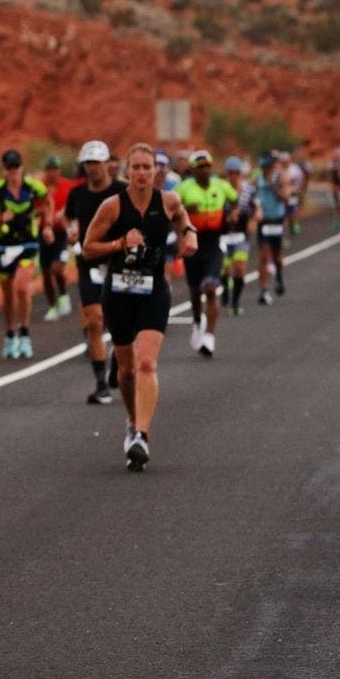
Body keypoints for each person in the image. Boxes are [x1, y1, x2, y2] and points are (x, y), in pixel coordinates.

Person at [81, 144, 196, 471]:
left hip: (153, 292)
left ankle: (142, 436)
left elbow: (182, 217)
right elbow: (88, 249)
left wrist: (189, 234)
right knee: (126, 370)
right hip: (117, 293)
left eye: (148, 167)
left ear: (156, 171)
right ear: (127, 171)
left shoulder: (169, 200)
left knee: (147, 364)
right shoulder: (112, 207)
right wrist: (119, 244)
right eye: (137, 168)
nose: (143, 173)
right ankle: (132, 422)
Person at [60, 141, 125, 404]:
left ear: (107, 164)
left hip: (119, 263)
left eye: (96, 163)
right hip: (88, 261)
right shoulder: (78, 195)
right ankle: (101, 384)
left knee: (119, 322)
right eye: (88, 163)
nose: (92, 169)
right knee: (94, 320)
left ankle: (117, 361)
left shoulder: (122, 191)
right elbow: (66, 217)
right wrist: (71, 231)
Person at [0, 149, 50, 359]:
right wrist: (2, 219)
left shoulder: (34, 187)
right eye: (9, 167)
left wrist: (47, 225)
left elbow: (47, 204)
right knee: (8, 295)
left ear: (22, 166)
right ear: (4, 169)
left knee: (21, 287)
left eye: (16, 166)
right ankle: (10, 333)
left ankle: (25, 333)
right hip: (5, 247)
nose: (13, 171)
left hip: (28, 243)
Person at [175, 150, 237, 358]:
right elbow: (171, 212)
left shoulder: (221, 186)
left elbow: (235, 200)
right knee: (195, 291)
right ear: (192, 169)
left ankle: (210, 336)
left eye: (207, 166)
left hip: (213, 243)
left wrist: (233, 215)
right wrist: (184, 210)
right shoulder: (183, 189)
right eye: (200, 166)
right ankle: (196, 320)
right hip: (193, 243)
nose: (205, 170)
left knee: (210, 287)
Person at [219, 158, 257, 317]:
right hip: (223, 235)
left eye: (236, 173)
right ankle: (225, 288)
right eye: (230, 173)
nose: (233, 176)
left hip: (241, 235)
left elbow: (256, 208)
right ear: (226, 174)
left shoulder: (248, 189)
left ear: (240, 174)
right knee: (225, 269)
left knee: (240, 268)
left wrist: (253, 221)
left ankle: (235, 303)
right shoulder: (220, 189)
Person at [38, 155, 74, 322]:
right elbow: (33, 209)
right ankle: (52, 306)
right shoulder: (38, 188)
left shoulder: (67, 185)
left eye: (55, 169)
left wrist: (65, 214)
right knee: (45, 272)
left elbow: (75, 204)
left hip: (61, 233)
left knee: (57, 268)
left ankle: (64, 295)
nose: (53, 173)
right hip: (43, 233)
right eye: (50, 169)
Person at [254, 153, 291, 304]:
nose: (264, 170)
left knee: (277, 257)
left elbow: (286, 197)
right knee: (263, 257)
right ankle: (264, 290)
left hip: (277, 220)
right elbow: (251, 195)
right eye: (263, 168)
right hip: (264, 222)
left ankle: (279, 277)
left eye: (267, 167)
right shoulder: (257, 179)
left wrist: (275, 186)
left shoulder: (280, 177)